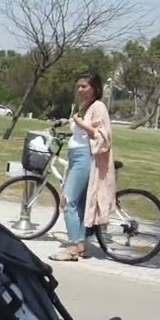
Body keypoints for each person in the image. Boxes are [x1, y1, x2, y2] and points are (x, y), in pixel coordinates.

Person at [50, 73, 113, 261]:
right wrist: (68, 121)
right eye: (78, 86)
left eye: (84, 86)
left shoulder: (99, 107)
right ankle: (82, 245)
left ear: (94, 87)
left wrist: (80, 123)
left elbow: (103, 136)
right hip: (75, 155)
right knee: (79, 204)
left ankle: (75, 248)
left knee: (67, 201)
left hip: (85, 157)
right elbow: (79, 128)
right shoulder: (84, 106)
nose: (80, 90)